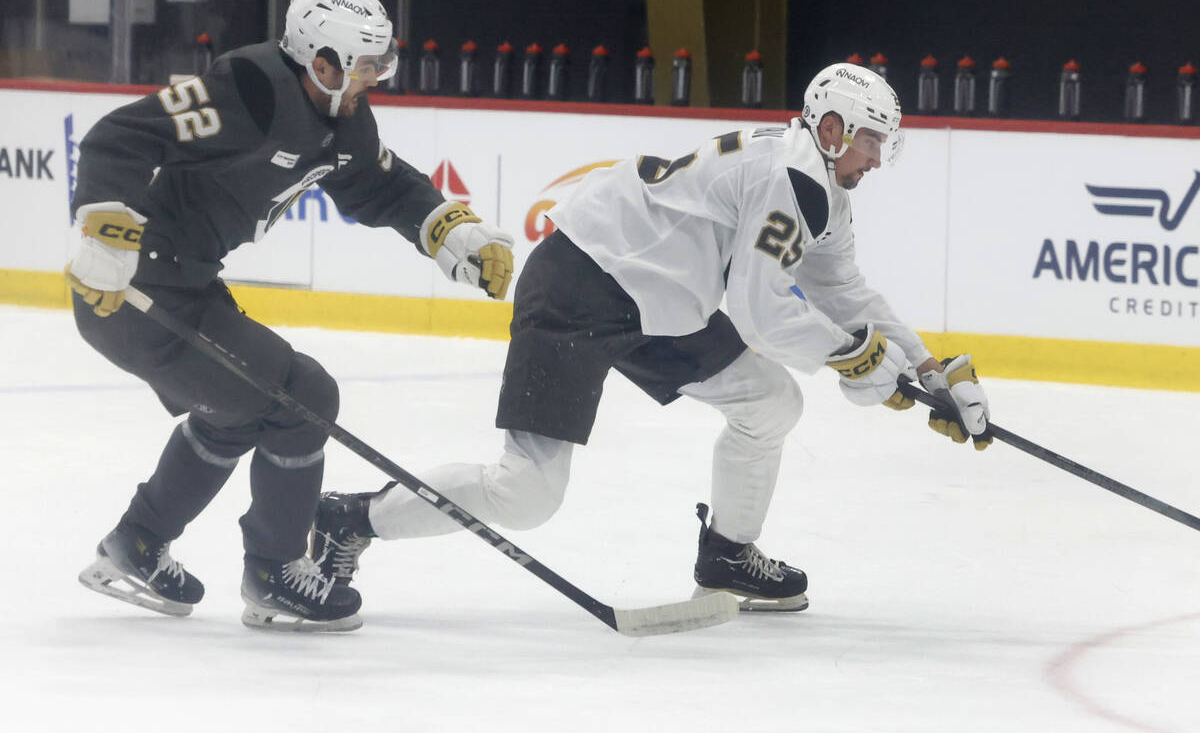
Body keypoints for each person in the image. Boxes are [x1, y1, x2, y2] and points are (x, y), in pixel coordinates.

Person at [313, 62, 991, 613]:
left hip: (659, 303)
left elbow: (845, 290)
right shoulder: (794, 176)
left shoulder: (820, 186)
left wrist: (930, 368)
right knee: (527, 494)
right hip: (582, 283)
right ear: (835, 127)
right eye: (872, 138)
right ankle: (351, 518)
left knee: (769, 401)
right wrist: (853, 355)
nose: (878, 156)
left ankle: (727, 554)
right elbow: (762, 313)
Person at [68, 0, 515, 632]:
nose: (373, 79)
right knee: (303, 397)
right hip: (133, 293)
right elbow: (120, 138)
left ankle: (136, 543)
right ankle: (275, 572)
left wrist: (454, 232)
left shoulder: (344, 119)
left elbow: (383, 187)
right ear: (321, 62)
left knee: (237, 410)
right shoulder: (249, 90)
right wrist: (106, 230)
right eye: (364, 66)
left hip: (184, 285)